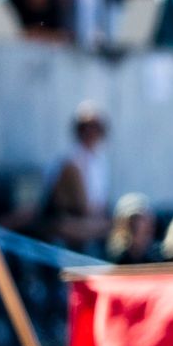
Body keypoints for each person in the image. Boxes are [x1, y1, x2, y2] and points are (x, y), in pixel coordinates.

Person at [41, 101, 113, 248]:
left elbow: (101, 201)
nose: (91, 132)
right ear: (79, 130)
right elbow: (73, 204)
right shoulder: (69, 161)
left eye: (95, 128)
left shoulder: (100, 161)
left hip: (94, 220)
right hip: (71, 221)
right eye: (87, 127)